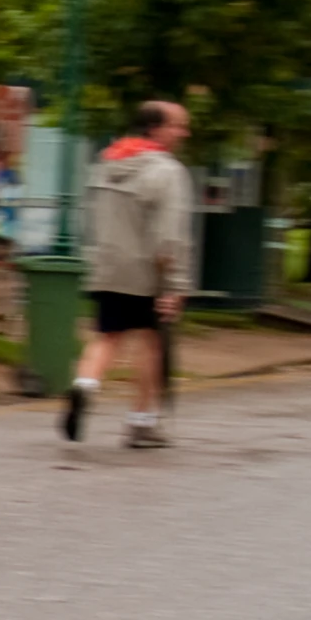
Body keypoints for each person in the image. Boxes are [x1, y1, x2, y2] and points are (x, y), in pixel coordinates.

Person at [65, 100, 195, 448]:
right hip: (147, 271)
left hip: (108, 265)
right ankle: (141, 423)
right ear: (154, 128)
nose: (184, 132)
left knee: (106, 335)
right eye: (178, 125)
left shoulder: (105, 164)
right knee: (151, 343)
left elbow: (85, 216)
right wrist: (174, 286)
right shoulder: (167, 171)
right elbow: (171, 235)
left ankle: (84, 385)